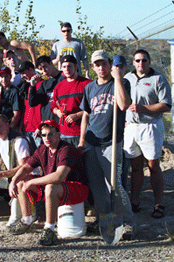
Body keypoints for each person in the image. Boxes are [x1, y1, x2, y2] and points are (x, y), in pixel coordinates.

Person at [78, 50, 135, 235]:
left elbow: (124, 105)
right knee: (97, 186)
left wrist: (117, 78)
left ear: (110, 64)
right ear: (93, 67)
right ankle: (105, 220)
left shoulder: (121, 83)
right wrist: (82, 140)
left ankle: (128, 221)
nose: (101, 68)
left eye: (104, 63)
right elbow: (86, 114)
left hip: (112, 142)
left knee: (115, 185)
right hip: (93, 143)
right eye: (97, 65)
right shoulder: (89, 88)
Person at [8, 119, 88, 246]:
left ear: (58, 134)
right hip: (58, 188)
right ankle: (26, 220)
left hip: (77, 189)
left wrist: (33, 182)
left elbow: (59, 176)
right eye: (43, 135)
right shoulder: (42, 149)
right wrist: (13, 181)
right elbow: (25, 168)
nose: (46, 137)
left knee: (50, 187)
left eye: (50, 134)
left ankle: (49, 229)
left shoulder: (66, 149)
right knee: (21, 182)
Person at [124, 49, 172, 219]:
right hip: (131, 128)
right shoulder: (127, 78)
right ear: (133, 62)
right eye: (137, 60)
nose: (141, 63)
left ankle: (158, 203)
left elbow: (166, 105)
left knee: (153, 166)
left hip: (150, 126)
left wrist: (143, 108)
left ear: (149, 61)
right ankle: (135, 202)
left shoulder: (158, 79)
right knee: (136, 167)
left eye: (144, 60)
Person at [51, 55, 91, 147]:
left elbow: (93, 107)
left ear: (76, 67)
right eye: (64, 67)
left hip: (82, 133)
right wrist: (58, 112)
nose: (67, 69)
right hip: (63, 133)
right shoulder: (58, 87)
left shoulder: (87, 84)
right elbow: (53, 106)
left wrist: (78, 115)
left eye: (70, 66)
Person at [29, 55, 64, 124]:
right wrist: (33, 86)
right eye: (41, 69)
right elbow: (32, 103)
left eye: (45, 66)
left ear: (51, 63)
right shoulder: (45, 84)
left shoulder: (64, 78)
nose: (44, 70)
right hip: (48, 123)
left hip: (62, 122)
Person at [17, 61, 43, 150]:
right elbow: (24, 108)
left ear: (31, 70)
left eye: (23, 73)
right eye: (20, 74)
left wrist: (41, 127)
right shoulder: (25, 86)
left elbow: (46, 108)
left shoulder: (42, 84)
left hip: (38, 130)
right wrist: (21, 126)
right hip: (26, 129)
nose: (22, 76)